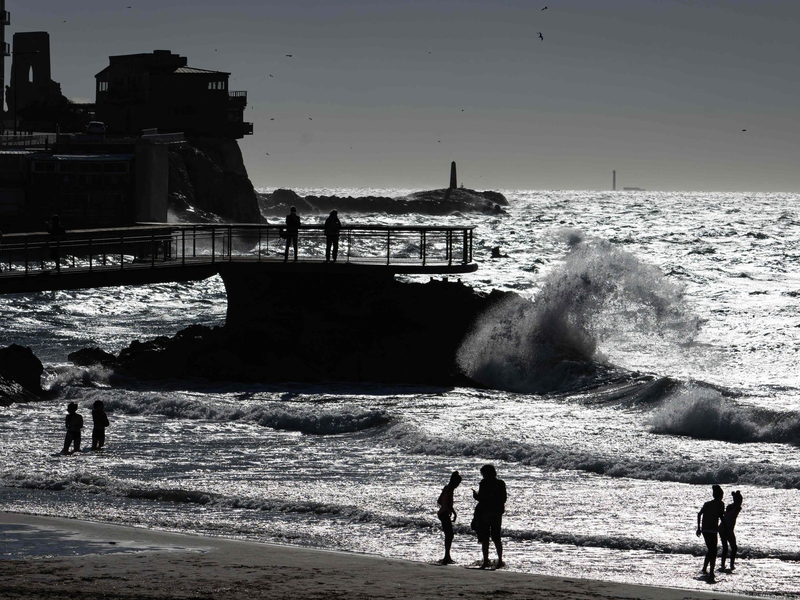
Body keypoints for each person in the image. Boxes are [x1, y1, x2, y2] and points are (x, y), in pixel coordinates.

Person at [472, 464, 507, 569]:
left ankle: (485, 561)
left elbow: (481, 498)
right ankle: (500, 560)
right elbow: (504, 498)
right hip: (497, 513)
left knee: (485, 538)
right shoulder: (501, 483)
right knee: (496, 538)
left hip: (485, 513)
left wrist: (475, 495)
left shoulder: (484, 483)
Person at [696, 484, 725, 581]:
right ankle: (711, 571)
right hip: (712, 530)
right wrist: (724, 526)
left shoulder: (707, 504)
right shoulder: (721, 504)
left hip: (705, 529)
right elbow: (721, 516)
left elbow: (699, 514)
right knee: (713, 551)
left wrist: (699, 528)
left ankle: (705, 568)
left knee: (711, 550)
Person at [437, 470, 462, 565]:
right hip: (444, 513)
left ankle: (447, 556)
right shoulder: (450, 489)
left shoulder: (446, 488)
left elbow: (439, 501)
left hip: (442, 512)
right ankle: (446, 556)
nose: (458, 485)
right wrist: (453, 512)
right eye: (458, 483)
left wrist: (446, 509)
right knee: (449, 535)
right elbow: (447, 502)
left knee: (449, 535)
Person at [719, 490, 743, 571]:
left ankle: (724, 564)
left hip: (723, 528)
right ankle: (731, 565)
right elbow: (729, 516)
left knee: (726, 547)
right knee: (733, 547)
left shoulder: (731, 506)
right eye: (740, 500)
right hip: (727, 528)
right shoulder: (736, 507)